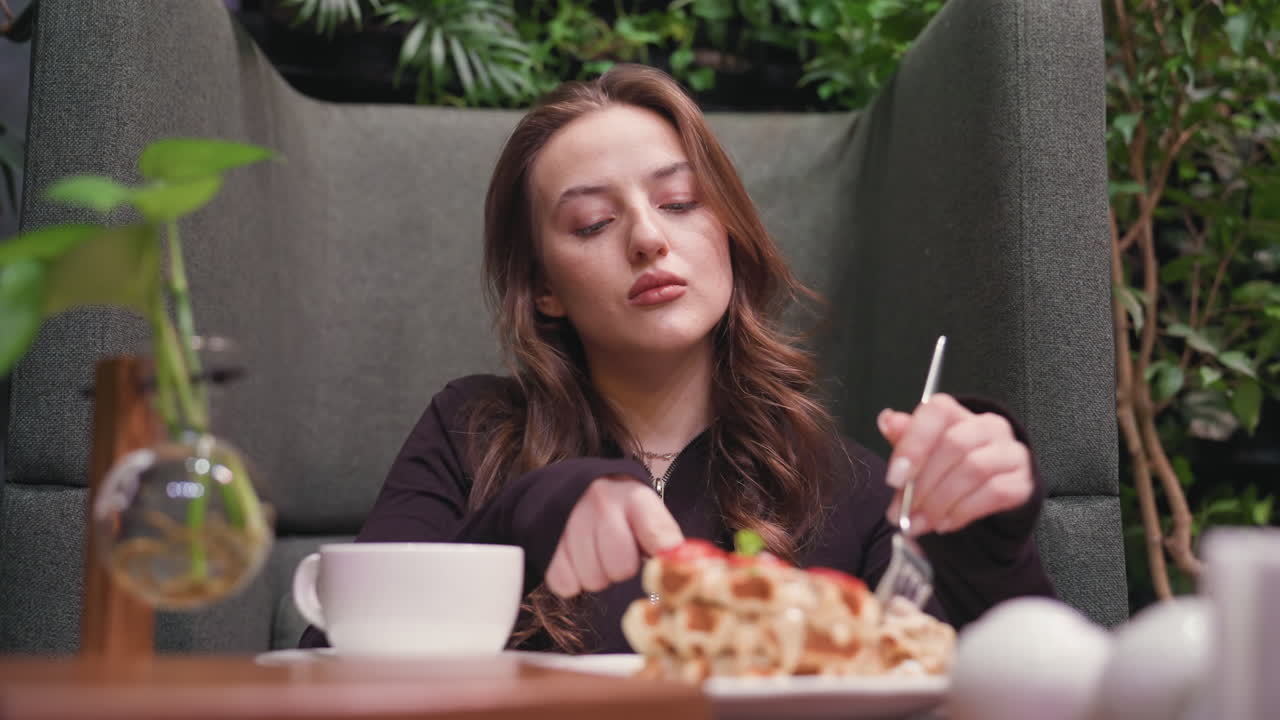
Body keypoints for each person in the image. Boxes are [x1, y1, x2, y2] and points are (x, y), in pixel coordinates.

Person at [299, 64, 1054, 654]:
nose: (648, 238)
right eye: (592, 223)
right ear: (543, 288)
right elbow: (331, 660)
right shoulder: (470, 432)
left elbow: (1021, 683)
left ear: (728, 230)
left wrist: (987, 541)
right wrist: (534, 512)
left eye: (681, 202)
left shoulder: (846, 486)